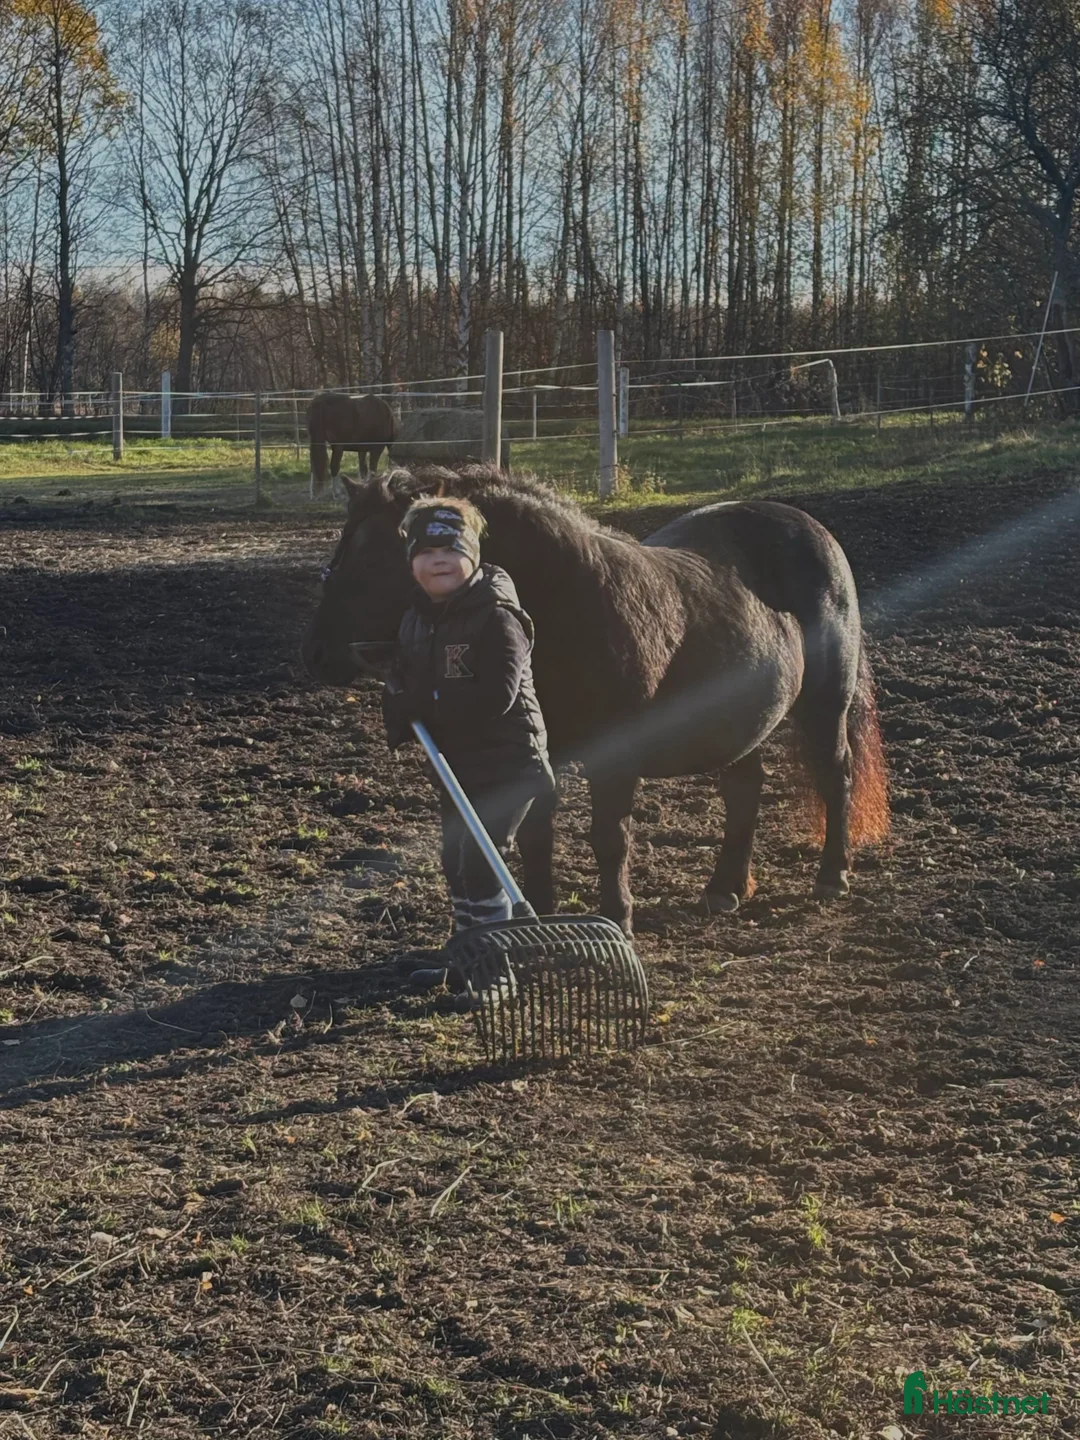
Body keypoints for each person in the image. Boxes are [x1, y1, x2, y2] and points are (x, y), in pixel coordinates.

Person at [381, 496, 554, 988]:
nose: (439, 561)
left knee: (482, 862)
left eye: (452, 550)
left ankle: (495, 972)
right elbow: (409, 680)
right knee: (455, 859)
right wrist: (399, 701)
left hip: (508, 762)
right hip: (456, 762)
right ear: (411, 561)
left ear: (474, 555)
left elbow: (497, 695)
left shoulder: (496, 615)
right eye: (427, 551)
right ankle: (466, 956)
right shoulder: (417, 618)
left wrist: (427, 701)